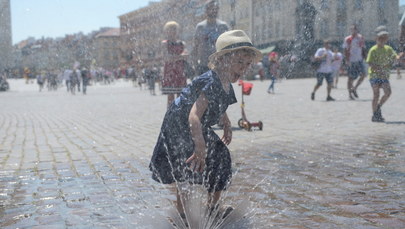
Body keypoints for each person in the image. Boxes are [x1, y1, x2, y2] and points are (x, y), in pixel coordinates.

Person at [149, 30, 261, 220]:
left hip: (195, 126)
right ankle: (182, 213)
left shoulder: (226, 83)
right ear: (223, 60)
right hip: (179, 125)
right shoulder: (211, 81)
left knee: (221, 156)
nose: (243, 68)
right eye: (239, 62)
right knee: (187, 165)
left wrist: (225, 121)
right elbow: (194, 115)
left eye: (247, 64)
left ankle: (212, 206)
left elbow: (217, 104)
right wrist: (199, 143)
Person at [366, 26, 402, 122]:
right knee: (376, 94)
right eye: (380, 38)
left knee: (388, 92)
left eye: (384, 38)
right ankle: (375, 115)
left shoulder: (388, 49)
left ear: (386, 39)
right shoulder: (373, 49)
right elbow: (369, 63)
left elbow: (396, 57)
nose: (382, 40)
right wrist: (379, 68)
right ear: (376, 39)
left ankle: (378, 106)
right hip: (374, 76)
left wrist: (400, 56)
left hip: (384, 76)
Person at [191, 0, 229, 76]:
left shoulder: (223, 26)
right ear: (206, 10)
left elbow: (228, 47)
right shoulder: (200, 27)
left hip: (220, 65)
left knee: (220, 87)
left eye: (215, 8)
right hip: (204, 65)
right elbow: (195, 46)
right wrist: (195, 64)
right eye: (211, 8)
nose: (213, 10)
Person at [161, 21, 188, 108]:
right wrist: (180, 57)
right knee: (170, 95)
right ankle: (170, 115)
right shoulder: (165, 43)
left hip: (180, 71)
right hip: (170, 72)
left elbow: (186, 56)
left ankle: (178, 114)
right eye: (170, 29)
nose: (172, 31)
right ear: (166, 31)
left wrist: (174, 57)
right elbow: (166, 58)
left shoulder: (182, 43)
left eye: (174, 29)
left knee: (180, 95)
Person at [343, 24, 366, 100]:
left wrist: (365, 58)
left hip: (359, 60)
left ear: (357, 30)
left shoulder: (360, 38)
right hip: (351, 61)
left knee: (363, 75)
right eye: (352, 29)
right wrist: (347, 60)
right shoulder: (348, 39)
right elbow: (345, 50)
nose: (353, 31)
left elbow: (363, 49)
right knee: (350, 78)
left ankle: (355, 88)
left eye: (354, 29)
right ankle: (350, 94)